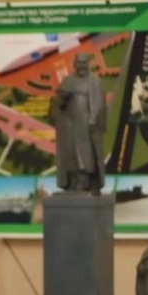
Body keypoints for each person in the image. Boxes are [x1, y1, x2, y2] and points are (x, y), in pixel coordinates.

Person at [54, 53, 107, 194]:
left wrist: (93, 118)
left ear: (88, 64)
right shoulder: (67, 81)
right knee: (70, 153)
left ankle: (84, 182)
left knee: (85, 154)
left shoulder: (94, 81)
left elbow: (99, 103)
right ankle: (72, 181)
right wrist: (62, 99)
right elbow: (58, 103)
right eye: (79, 63)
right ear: (74, 64)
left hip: (86, 124)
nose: (82, 66)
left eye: (84, 63)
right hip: (69, 124)